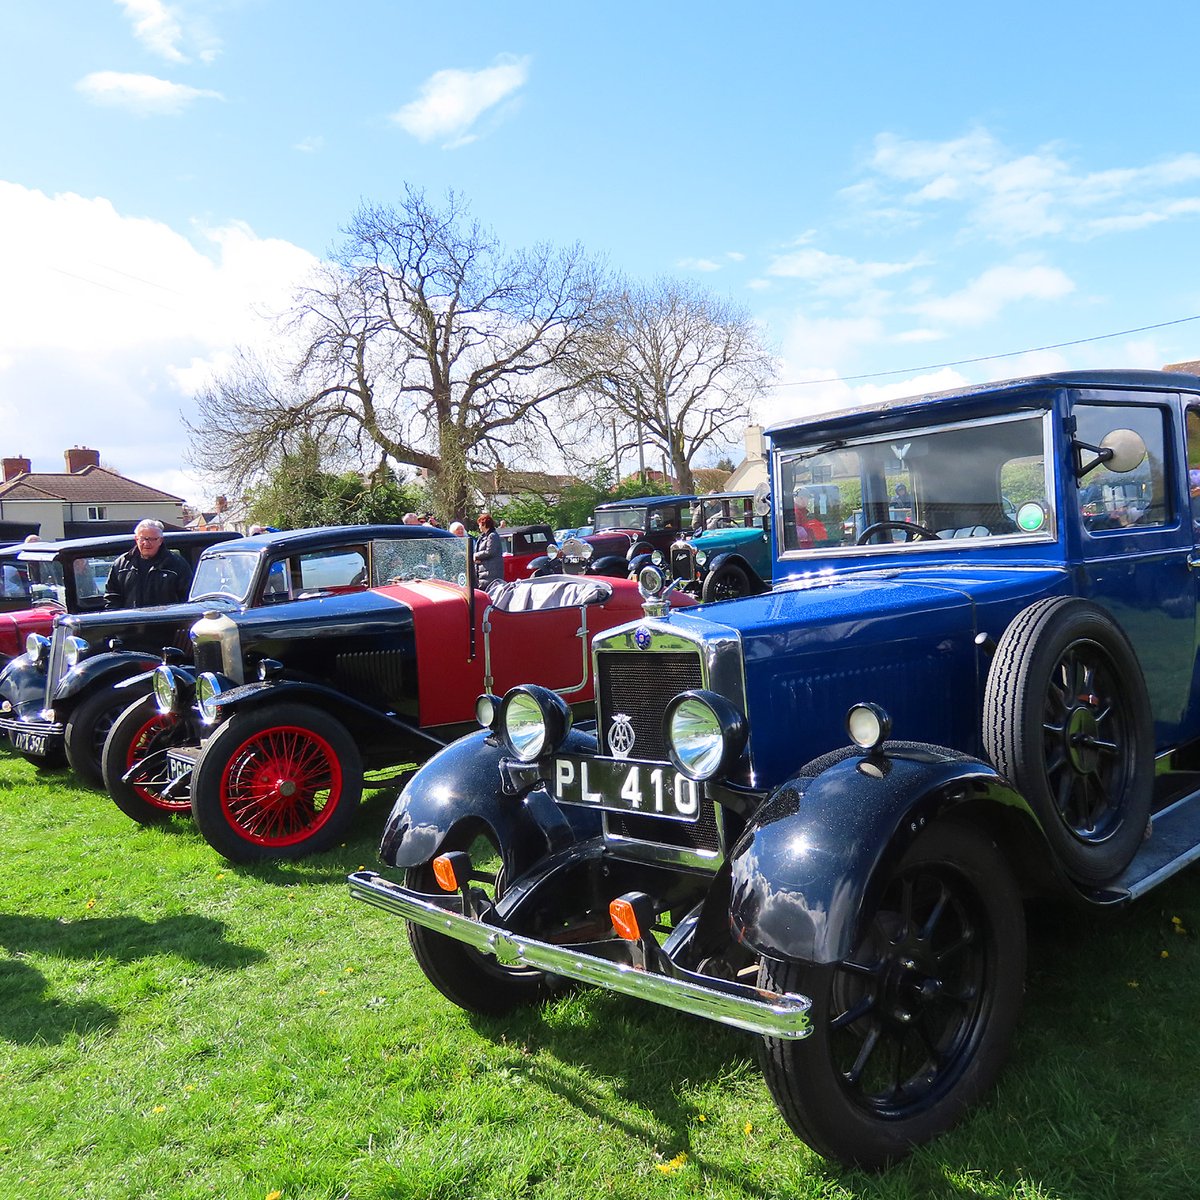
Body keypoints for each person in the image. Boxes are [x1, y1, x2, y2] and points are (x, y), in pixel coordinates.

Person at [103, 520, 193, 609]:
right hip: (131, 621)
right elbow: (112, 597)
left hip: (166, 620)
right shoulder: (121, 564)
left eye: (152, 539)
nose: (146, 543)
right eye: (143, 538)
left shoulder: (177, 564)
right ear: (136, 539)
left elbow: (186, 599)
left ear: (160, 540)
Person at [473, 513, 504, 588]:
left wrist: (475, 555)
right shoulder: (483, 536)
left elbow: (490, 552)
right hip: (483, 572)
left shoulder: (492, 536)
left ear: (484, 524)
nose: (479, 527)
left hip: (490, 573)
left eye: (479, 524)